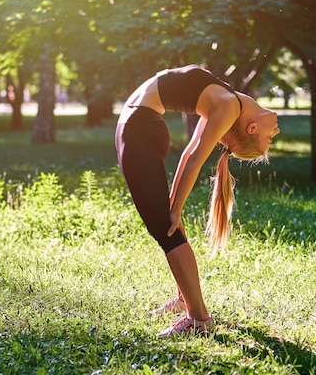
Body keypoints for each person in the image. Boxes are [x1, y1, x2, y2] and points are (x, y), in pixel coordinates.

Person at [114, 64, 280, 337]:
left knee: (165, 229)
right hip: (140, 128)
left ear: (251, 128)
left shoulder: (228, 105)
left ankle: (199, 319)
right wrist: (173, 207)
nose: (276, 132)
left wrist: (175, 209)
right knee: (166, 225)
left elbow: (194, 160)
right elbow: (189, 153)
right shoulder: (229, 101)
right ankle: (184, 301)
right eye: (271, 139)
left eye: (269, 139)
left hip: (139, 130)